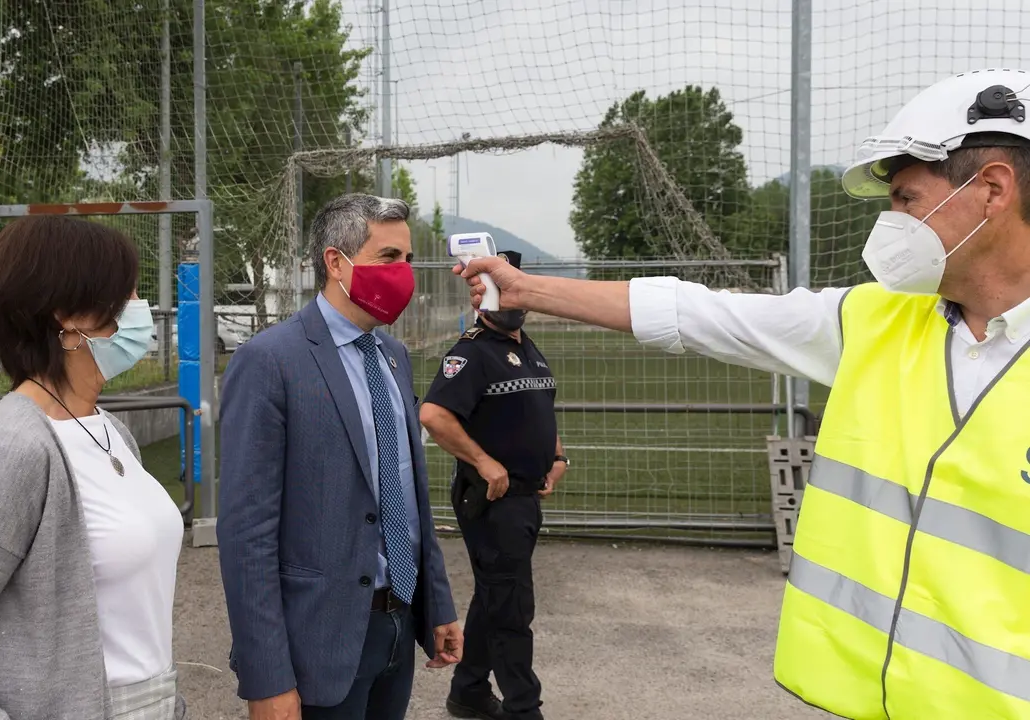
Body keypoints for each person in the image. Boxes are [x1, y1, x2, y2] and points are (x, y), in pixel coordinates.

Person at [455, 68, 1030, 719]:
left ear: (992, 190)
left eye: (903, 198)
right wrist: (526, 290)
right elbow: (701, 314)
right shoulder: (875, 319)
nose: (891, 221)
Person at [217, 193, 463, 720]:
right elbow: (246, 534)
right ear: (336, 262)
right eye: (389, 258)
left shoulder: (393, 357)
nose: (405, 273)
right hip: (317, 646)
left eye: (409, 259)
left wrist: (435, 605)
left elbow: (407, 495)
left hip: (397, 626)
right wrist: (267, 677)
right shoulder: (269, 361)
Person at [0, 216, 188, 720]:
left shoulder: (108, 429)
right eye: (125, 294)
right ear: (67, 316)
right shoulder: (16, 449)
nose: (139, 309)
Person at [419, 250, 564, 720]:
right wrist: (484, 462)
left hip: (524, 498)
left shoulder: (527, 346)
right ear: (479, 293)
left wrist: (557, 455)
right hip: (493, 500)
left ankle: (469, 692)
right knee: (512, 609)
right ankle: (525, 709)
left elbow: (541, 409)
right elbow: (434, 415)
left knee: (495, 594)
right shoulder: (472, 351)